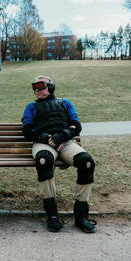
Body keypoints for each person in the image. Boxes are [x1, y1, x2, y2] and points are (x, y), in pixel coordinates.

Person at [22, 75, 97, 233]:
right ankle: (52, 216)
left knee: (86, 162)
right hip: (44, 144)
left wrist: (62, 135)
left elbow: (76, 125)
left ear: (51, 87)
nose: (37, 90)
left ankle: (81, 216)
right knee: (44, 161)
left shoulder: (64, 103)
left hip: (66, 142)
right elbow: (27, 130)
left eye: (41, 86)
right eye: (34, 86)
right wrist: (44, 137)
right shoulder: (31, 107)